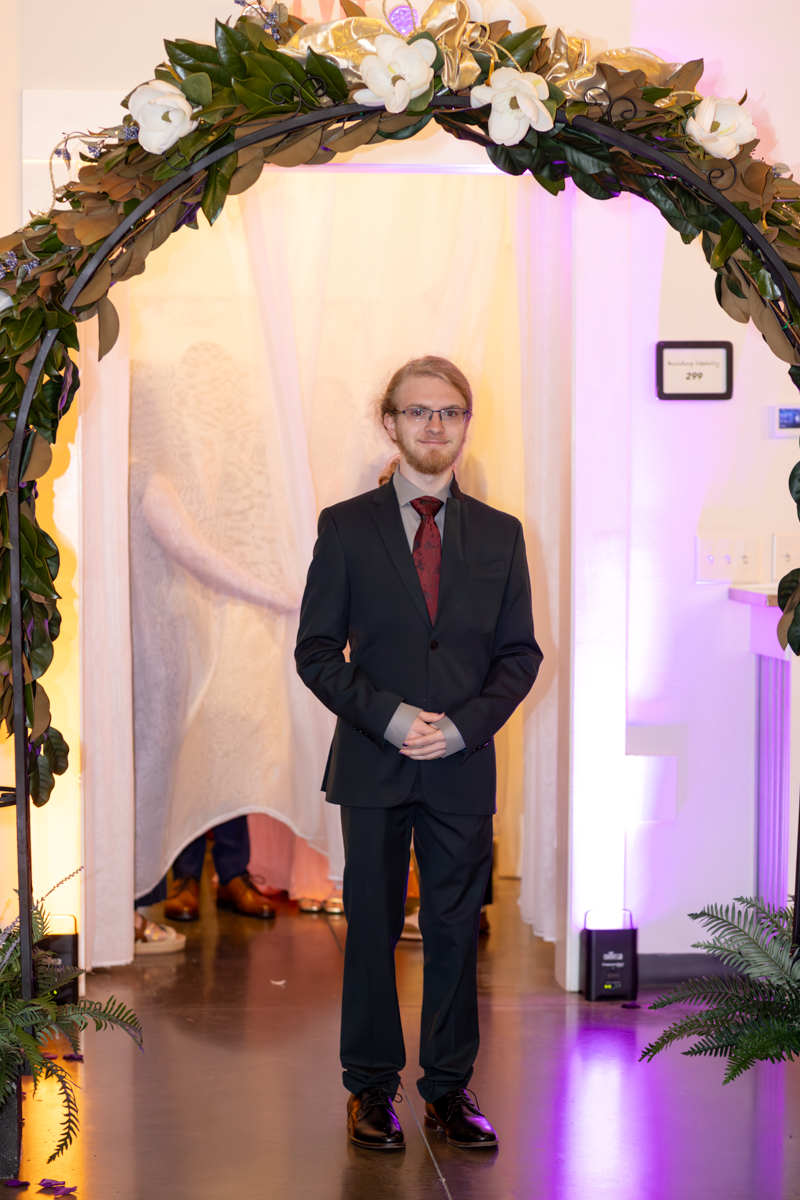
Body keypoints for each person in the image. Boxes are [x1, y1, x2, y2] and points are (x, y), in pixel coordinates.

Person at [295, 357, 542, 1151]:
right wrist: (392, 718)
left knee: (453, 930)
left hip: (463, 766)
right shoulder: (345, 525)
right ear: (390, 422)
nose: (436, 426)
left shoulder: (503, 535)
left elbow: (520, 657)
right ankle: (369, 1091)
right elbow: (317, 651)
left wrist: (465, 726)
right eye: (418, 412)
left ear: (468, 424)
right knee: (369, 926)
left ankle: (448, 1090)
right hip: (373, 759)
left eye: (451, 413)